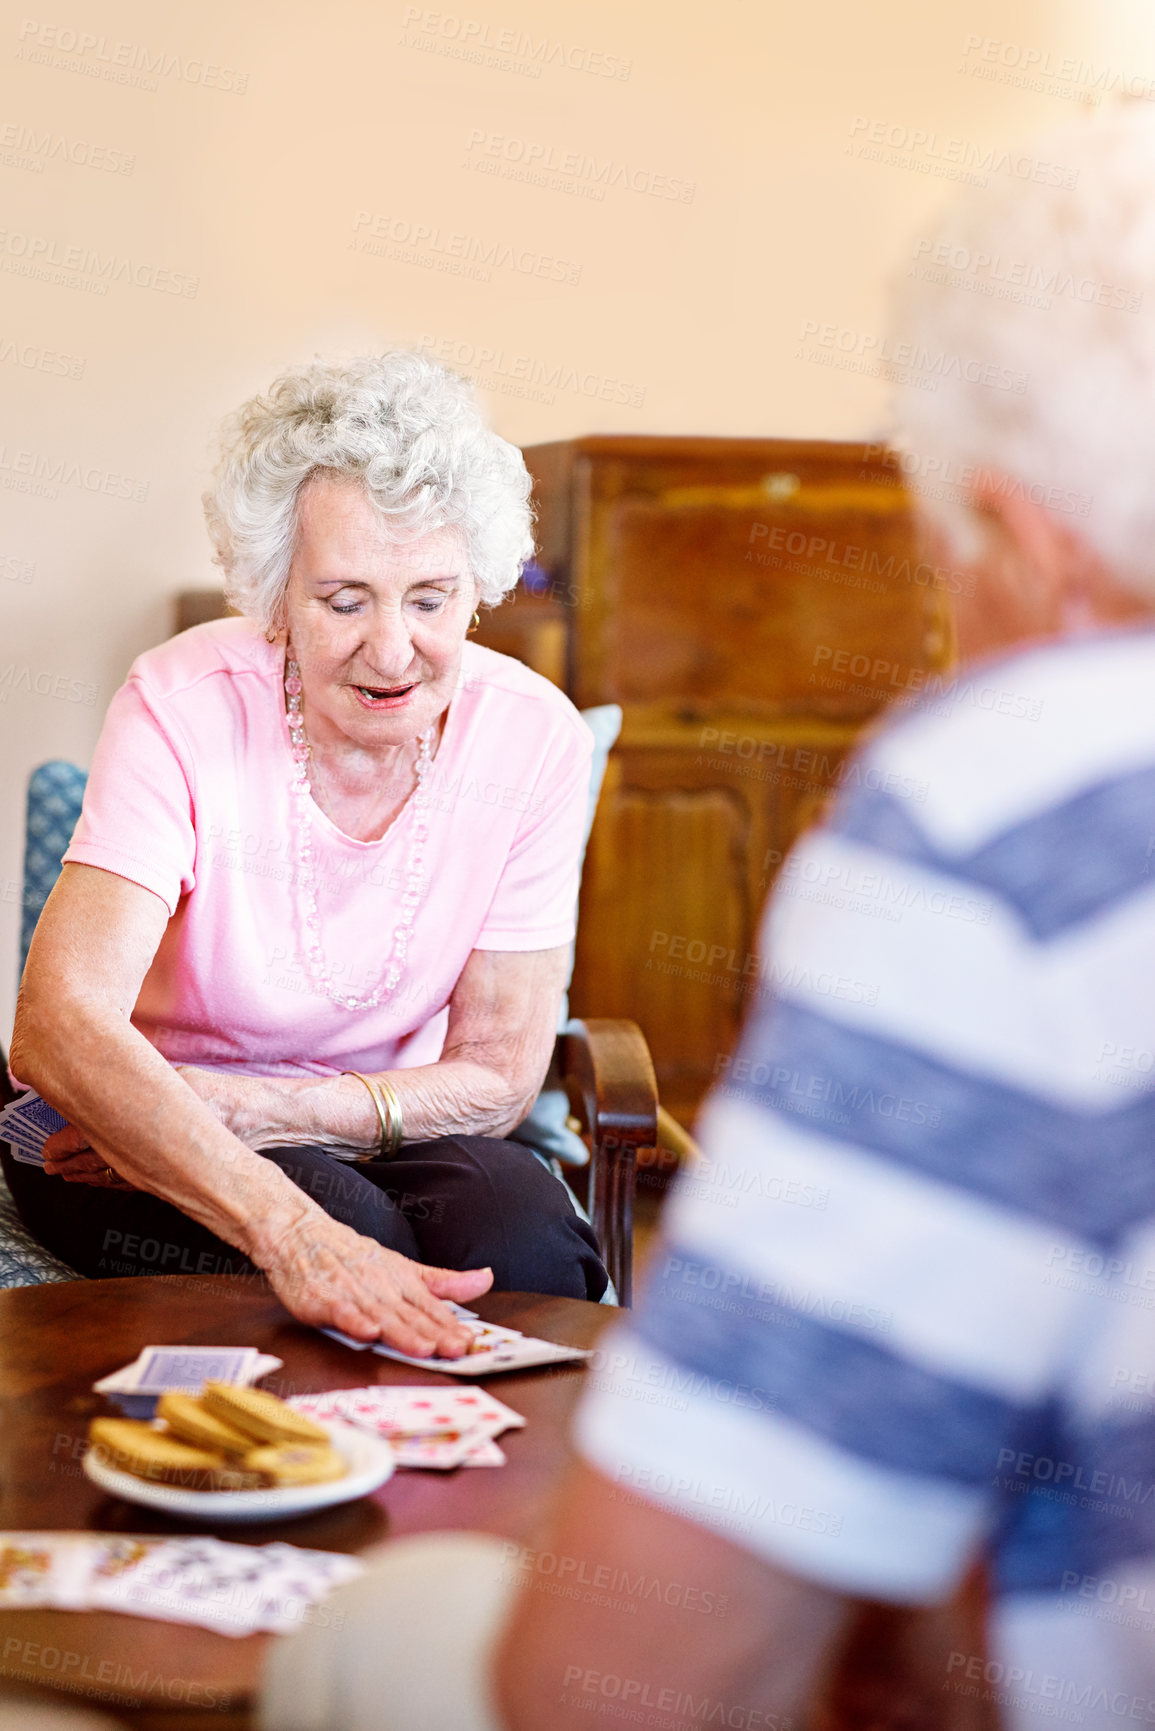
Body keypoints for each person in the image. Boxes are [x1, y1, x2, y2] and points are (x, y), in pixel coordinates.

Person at [257, 105, 1155, 1727]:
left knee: (382, 1633)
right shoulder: (197, 715)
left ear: (1029, 545)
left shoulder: (1009, 808)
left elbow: (634, 1682)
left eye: (948, 566)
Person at [9, 353, 607, 1354]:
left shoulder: (533, 738)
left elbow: (500, 1075)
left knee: (529, 1245)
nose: (390, 648)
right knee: (344, 1236)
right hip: (139, 1137)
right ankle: (309, 1503)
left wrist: (264, 1108)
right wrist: (284, 1219)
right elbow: (57, 1027)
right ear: (274, 593)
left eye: (430, 598)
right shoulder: (180, 703)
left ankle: (489, 1506)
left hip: (394, 1120)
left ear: (478, 591)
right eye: (344, 600)